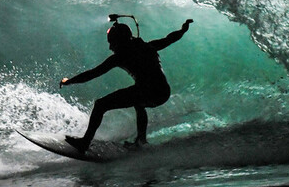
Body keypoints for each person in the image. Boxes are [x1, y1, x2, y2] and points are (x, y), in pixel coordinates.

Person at [59, 17, 193, 152]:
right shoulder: (148, 46)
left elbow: (93, 73)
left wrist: (69, 81)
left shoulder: (120, 56)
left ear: (119, 40)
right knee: (138, 102)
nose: (110, 47)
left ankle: (85, 142)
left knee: (101, 104)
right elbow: (170, 38)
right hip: (163, 92)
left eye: (112, 42)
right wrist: (183, 30)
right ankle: (141, 140)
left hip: (147, 91)